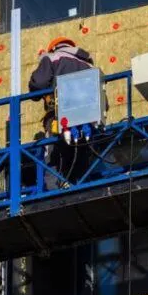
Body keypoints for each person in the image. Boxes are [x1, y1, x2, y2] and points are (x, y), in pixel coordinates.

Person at [28, 37, 97, 189]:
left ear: (54, 47)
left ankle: (54, 192)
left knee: (53, 158)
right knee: (81, 158)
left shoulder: (53, 57)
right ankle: (81, 189)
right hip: (88, 120)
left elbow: (38, 85)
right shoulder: (90, 67)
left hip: (59, 118)